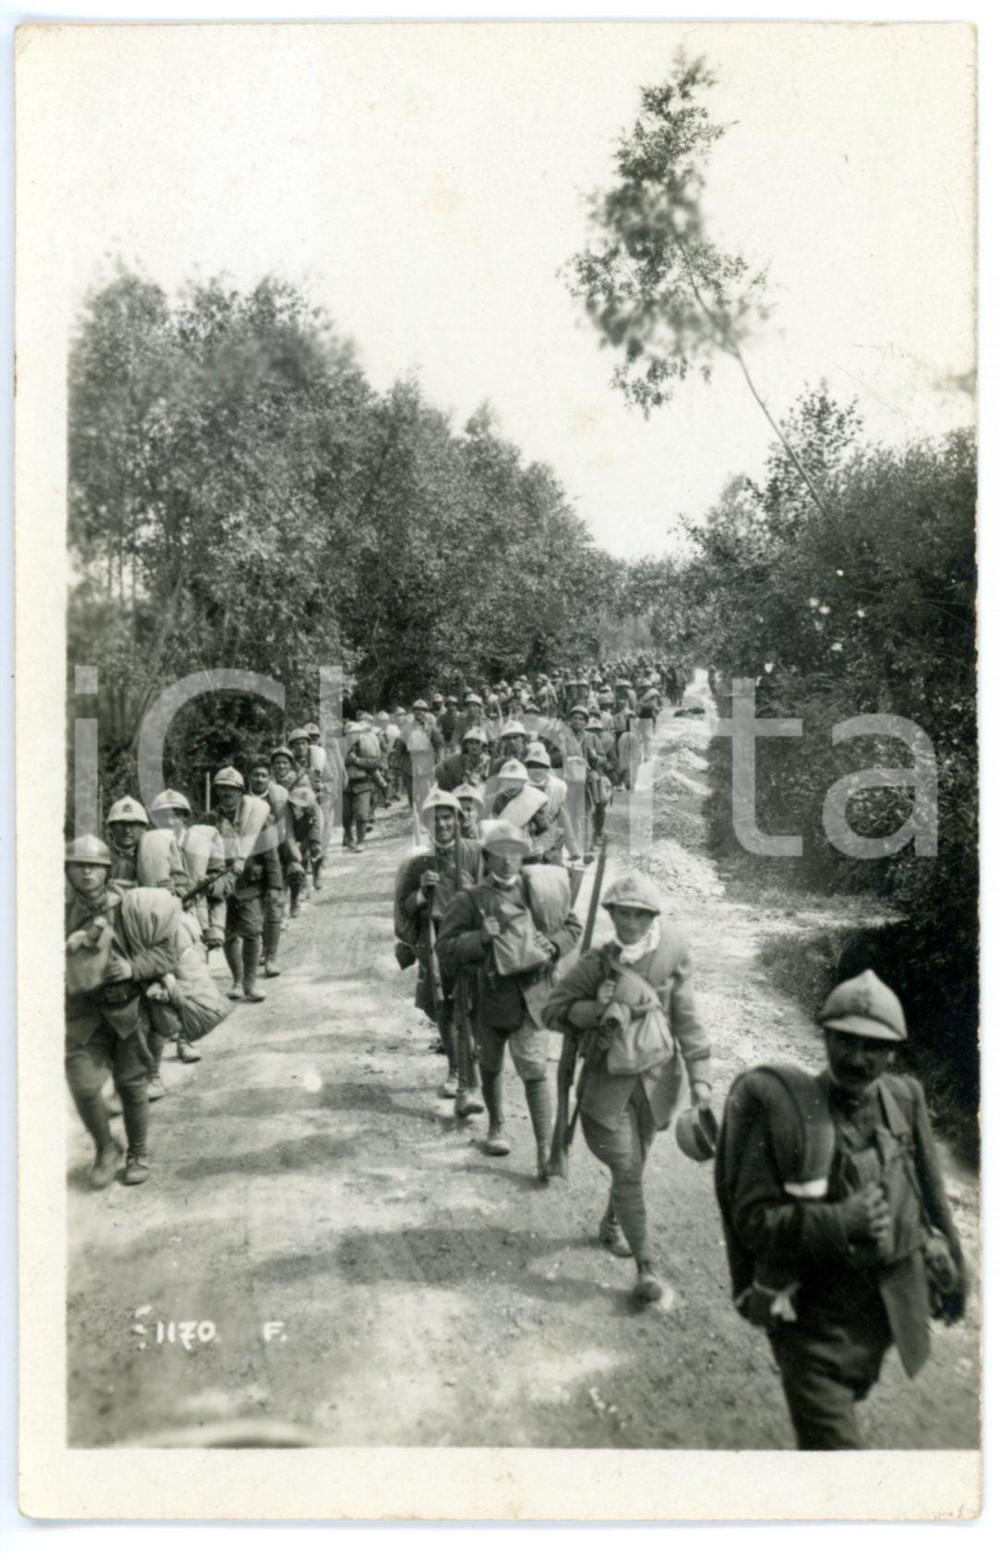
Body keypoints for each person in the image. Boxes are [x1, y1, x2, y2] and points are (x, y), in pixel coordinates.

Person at [714, 969, 967, 1451]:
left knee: (849, 1409)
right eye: (844, 1041)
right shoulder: (788, 1117)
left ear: (893, 1051)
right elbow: (752, 1222)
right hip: (810, 1323)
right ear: (824, 1036)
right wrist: (839, 1220)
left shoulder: (904, 1097)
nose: (857, 1058)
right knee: (840, 1460)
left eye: (873, 1047)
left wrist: (944, 1249)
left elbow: (927, 1189)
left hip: (883, 1316)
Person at [543, 872, 712, 1303]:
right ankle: (646, 1267)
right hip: (606, 1087)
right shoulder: (596, 965)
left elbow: (687, 1023)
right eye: (622, 913)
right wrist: (595, 1008)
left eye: (639, 914)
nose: (630, 923)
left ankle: (612, 1221)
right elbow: (551, 1012)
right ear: (612, 914)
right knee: (629, 1170)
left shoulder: (670, 959)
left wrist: (702, 1084)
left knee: (634, 1163)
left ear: (651, 916)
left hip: (657, 1084)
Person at [437, 818, 582, 1179]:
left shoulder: (541, 889)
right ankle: (496, 1126)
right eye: (499, 855)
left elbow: (572, 926)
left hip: (533, 996)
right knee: (490, 1064)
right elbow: (445, 947)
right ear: (486, 857)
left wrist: (556, 945)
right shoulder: (470, 900)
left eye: (515, 855)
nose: (508, 862)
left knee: (534, 1071)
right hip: (490, 996)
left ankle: (544, 1151)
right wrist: (479, 940)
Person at [64, 835, 181, 1188]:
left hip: (127, 1010)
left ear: (106, 871)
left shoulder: (131, 906)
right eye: (78, 866)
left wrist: (133, 968)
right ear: (67, 871)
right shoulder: (55, 909)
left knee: (131, 1087)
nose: (86, 873)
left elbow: (167, 953)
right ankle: (105, 1149)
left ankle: (137, 1153)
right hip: (82, 1015)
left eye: (94, 866)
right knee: (83, 1085)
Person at [393, 789, 482, 1100]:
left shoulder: (474, 852)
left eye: (448, 818)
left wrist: (474, 890)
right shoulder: (420, 862)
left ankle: (470, 1071)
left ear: (458, 820)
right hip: (434, 939)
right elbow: (405, 906)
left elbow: (494, 893)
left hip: (469, 938)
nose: (442, 825)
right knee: (443, 1006)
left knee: (470, 1004)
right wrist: (420, 892)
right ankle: (455, 1069)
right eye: (436, 819)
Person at [207, 766, 283, 1003]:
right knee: (229, 934)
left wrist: (274, 885)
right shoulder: (209, 819)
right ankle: (237, 980)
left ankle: (251, 982)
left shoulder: (259, 818)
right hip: (221, 886)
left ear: (241, 791)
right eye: (222, 789)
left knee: (251, 933)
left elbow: (270, 854)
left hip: (250, 884)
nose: (227, 793)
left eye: (232, 789)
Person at [435, 725, 490, 793]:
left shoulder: (488, 762)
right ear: (466, 745)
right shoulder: (456, 760)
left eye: (477, 743)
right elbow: (439, 770)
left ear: (483, 746)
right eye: (471, 743)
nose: (474, 746)